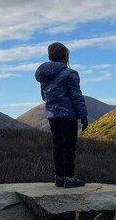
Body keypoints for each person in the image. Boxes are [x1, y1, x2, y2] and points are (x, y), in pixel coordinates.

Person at [34, 42, 88, 188]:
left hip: (52, 116)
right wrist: (83, 115)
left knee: (57, 146)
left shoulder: (45, 76)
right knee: (69, 146)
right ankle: (69, 178)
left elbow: (44, 97)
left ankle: (59, 178)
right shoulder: (70, 74)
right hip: (68, 116)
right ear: (65, 55)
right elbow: (76, 96)